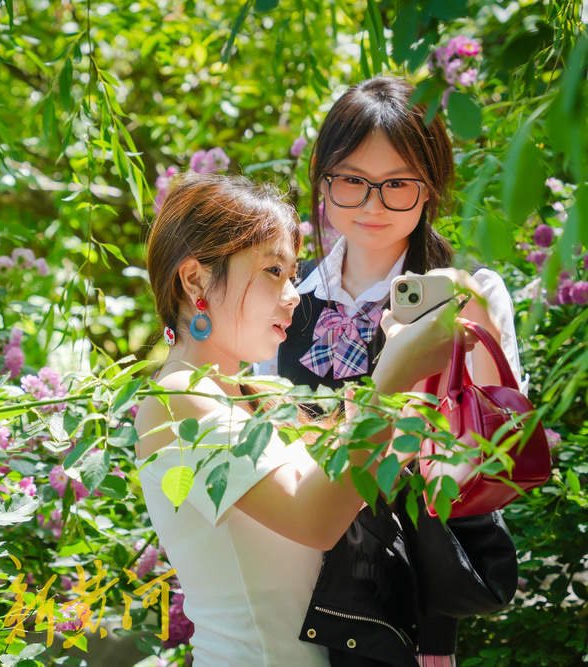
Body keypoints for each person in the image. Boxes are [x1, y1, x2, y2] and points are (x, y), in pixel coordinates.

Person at [133, 172, 467, 667]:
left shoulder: (253, 394)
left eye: (292, 275)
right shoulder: (177, 398)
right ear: (195, 278)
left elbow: (353, 485)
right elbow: (314, 519)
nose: (293, 294)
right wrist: (389, 380)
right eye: (273, 271)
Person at [267, 77, 521, 665]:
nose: (372, 205)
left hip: (402, 593)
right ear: (323, 181)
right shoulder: (282, 293)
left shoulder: (470, 292)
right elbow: (256, 421)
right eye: (352, 181)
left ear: (430, 187)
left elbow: (488, 448)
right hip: (290, 575)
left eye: (397, 184)